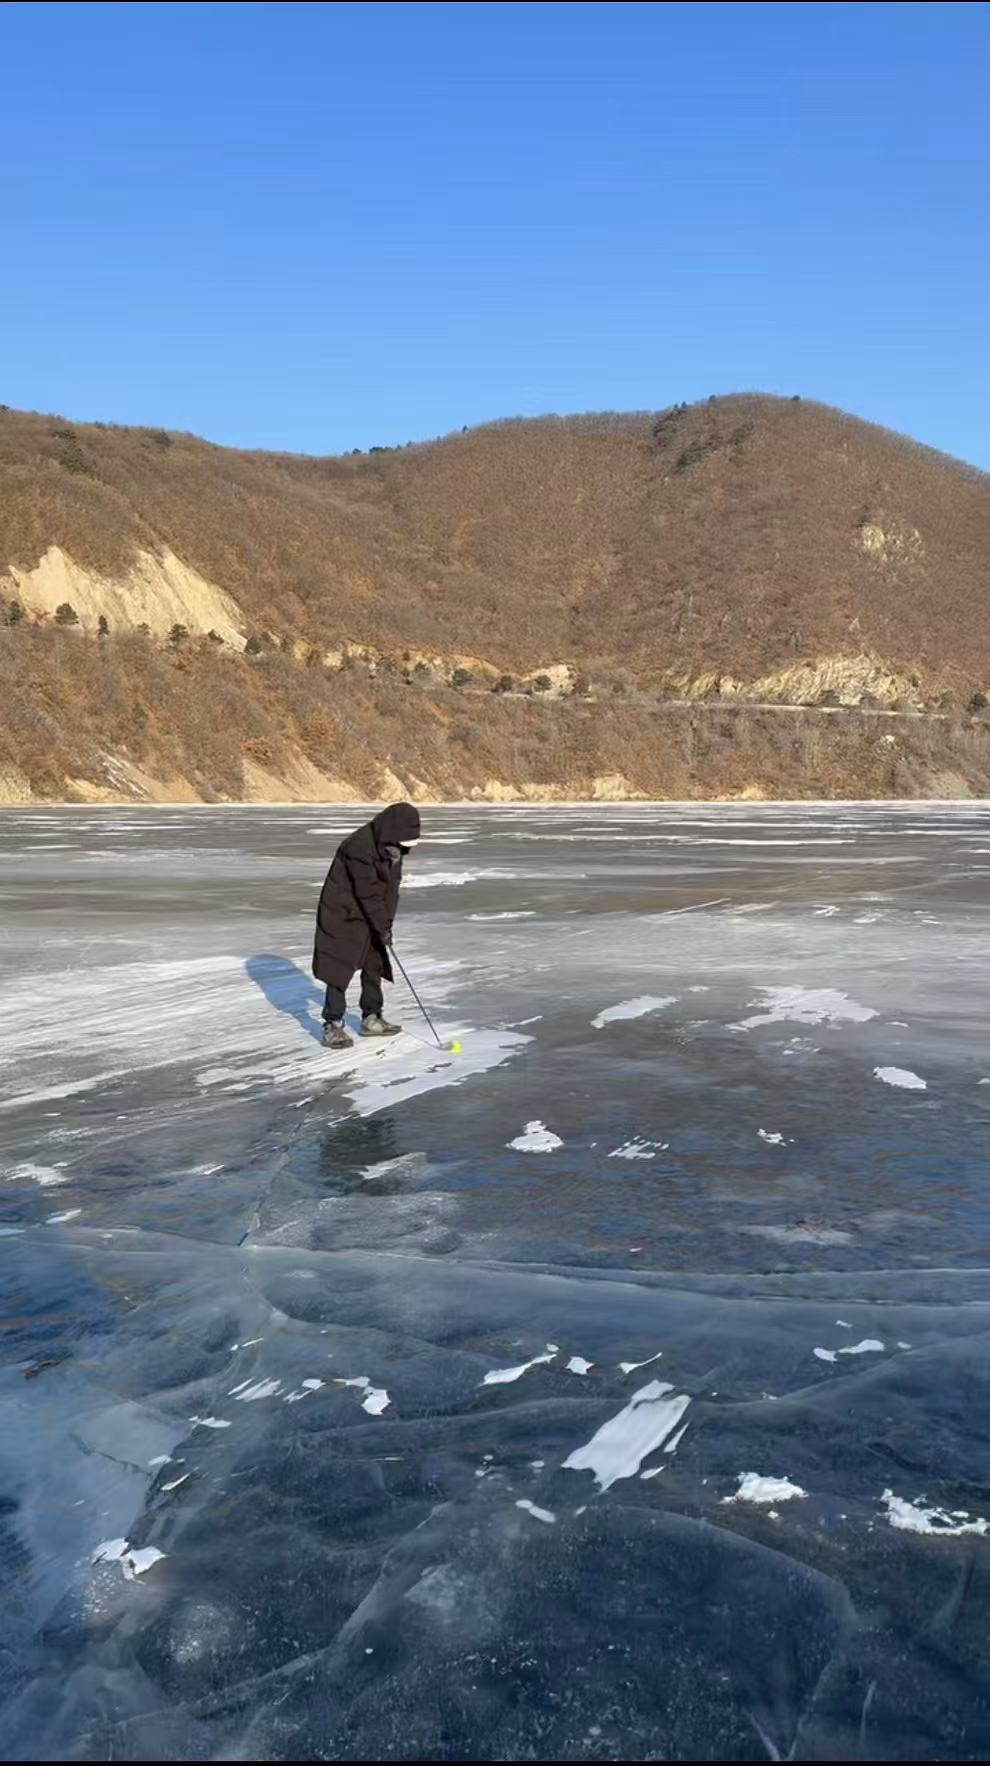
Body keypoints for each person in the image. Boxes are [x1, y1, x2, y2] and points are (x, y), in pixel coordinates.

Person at [312, 801, 421, 1049]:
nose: (404, 849)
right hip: (343, 912)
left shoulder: (394, 848)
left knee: (375, 961)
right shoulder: (358, 847)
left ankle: (371, 1017)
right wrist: (380, 923)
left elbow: (391, 889)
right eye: (403, 843)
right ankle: (332, 1023)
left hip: (370, 911)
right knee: (339, 964)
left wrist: (386, 924)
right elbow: (367, 892)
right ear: (393, 831)